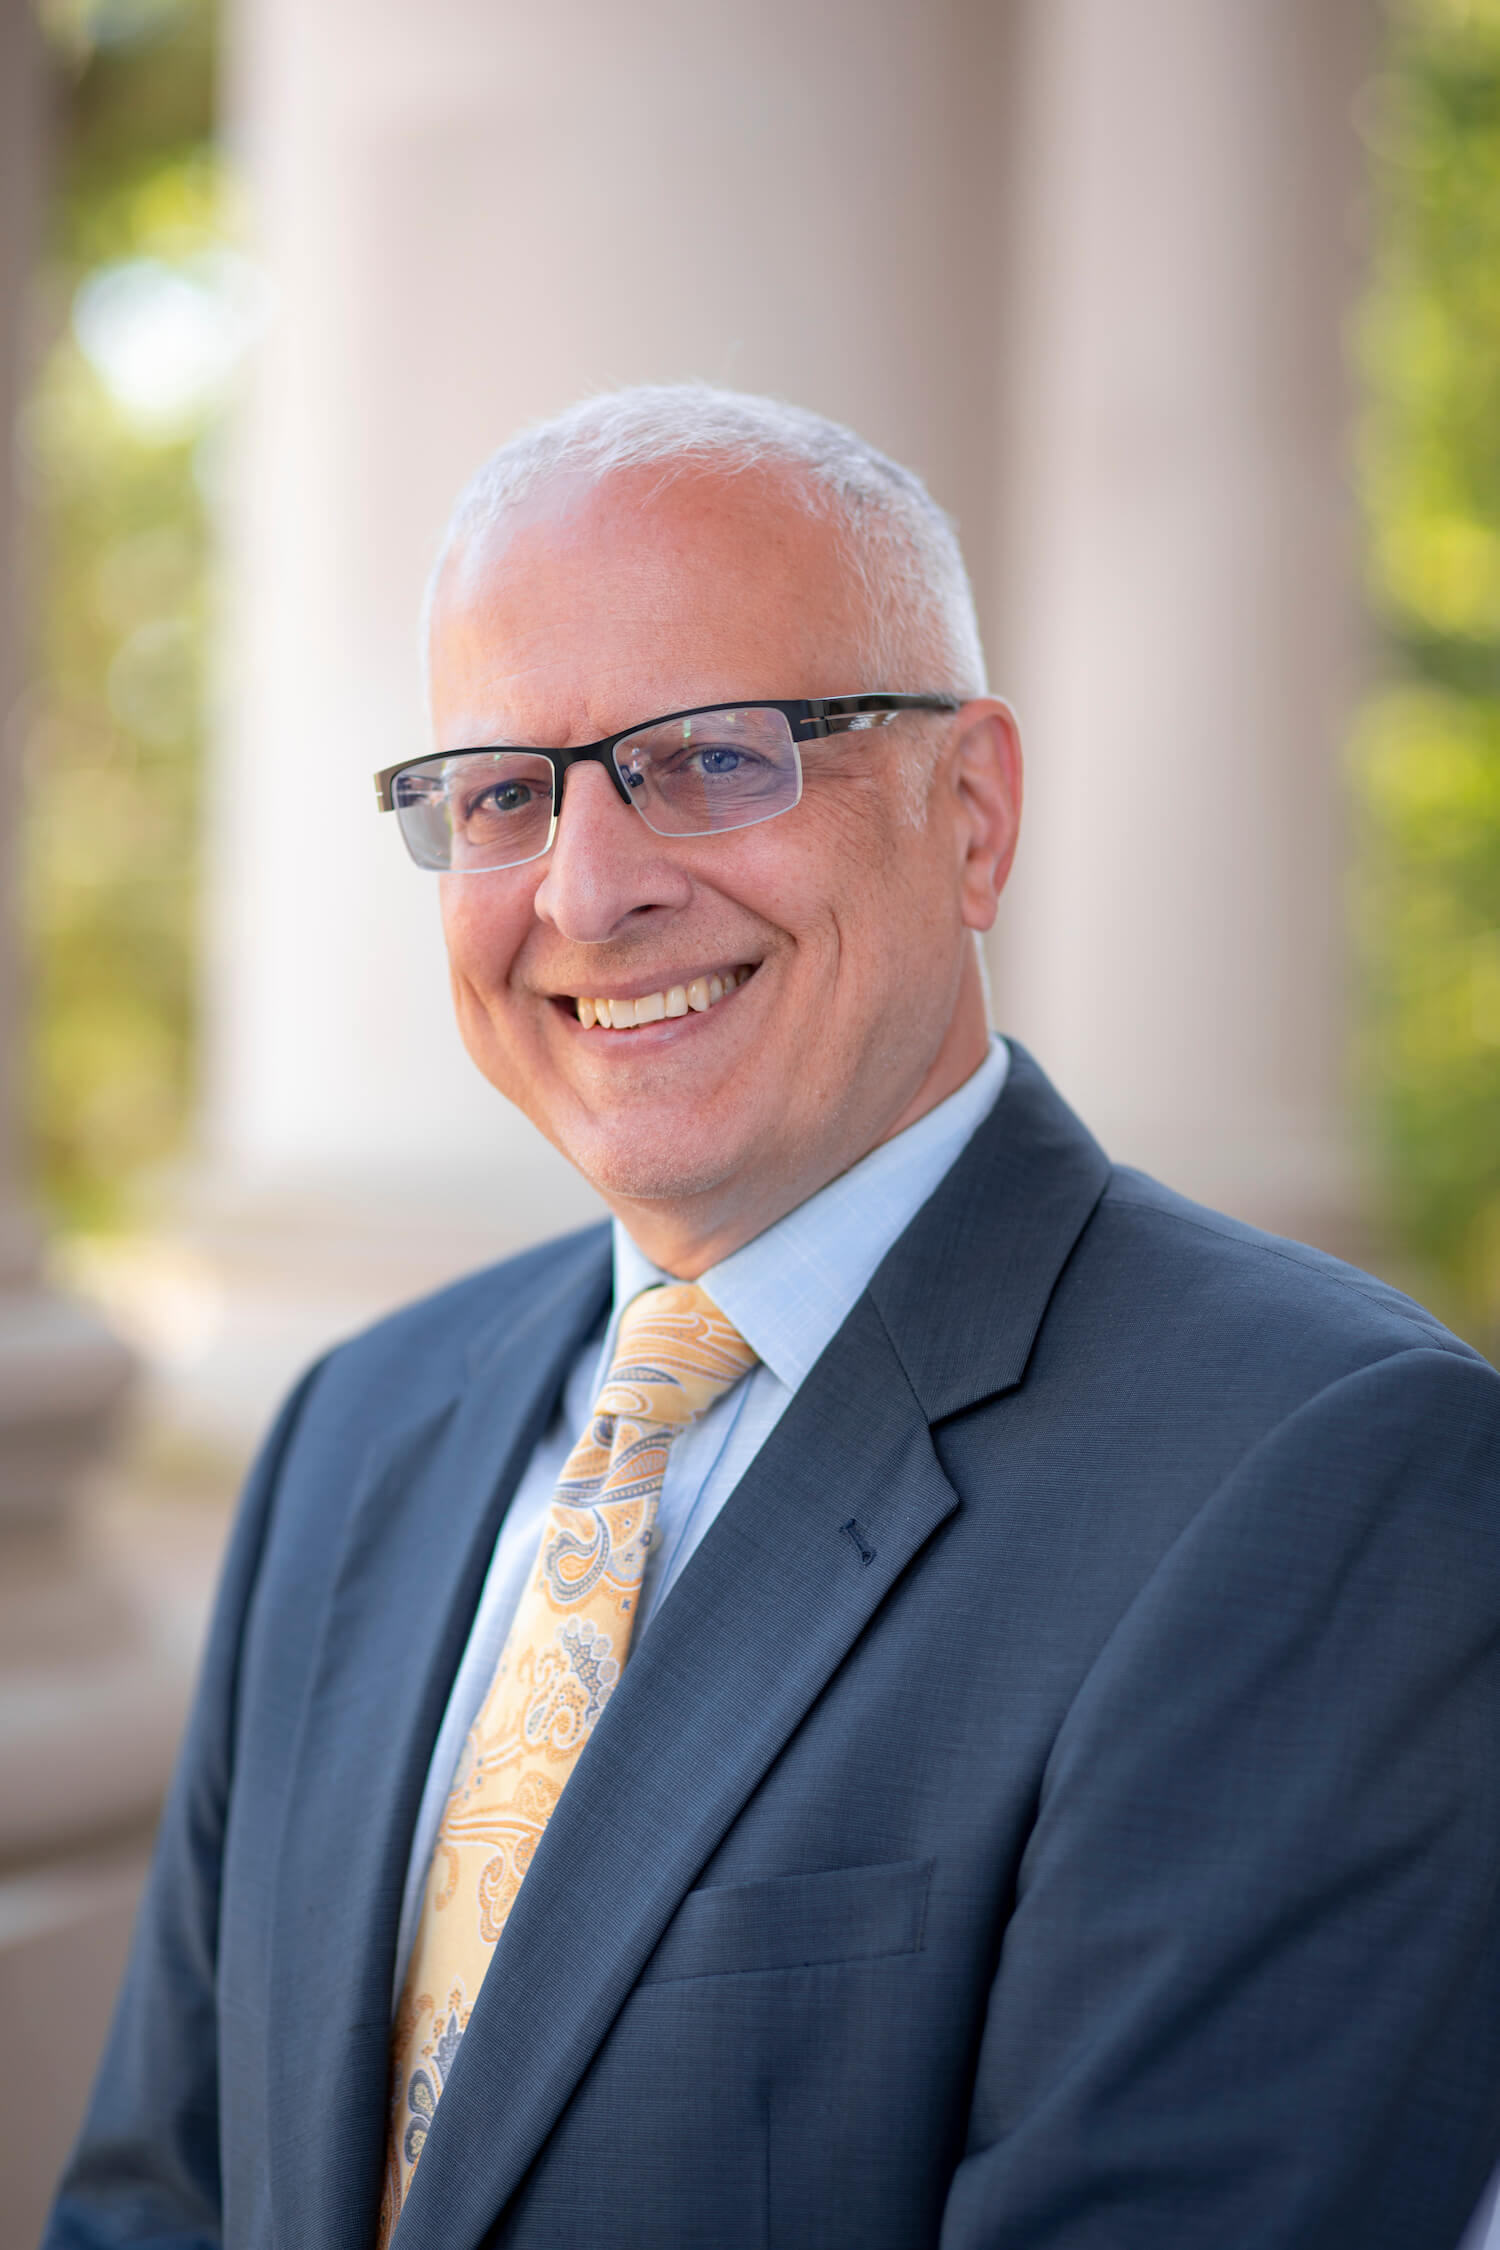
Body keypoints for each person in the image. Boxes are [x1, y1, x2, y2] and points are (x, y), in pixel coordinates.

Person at [47, 386, 1500, 2250]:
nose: (586, 886)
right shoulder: (358, 1429)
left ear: (970, 816)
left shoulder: (1333, 1476)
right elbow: (161, 2199)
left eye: (714, 758)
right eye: (502, 793)